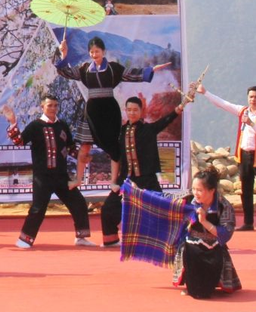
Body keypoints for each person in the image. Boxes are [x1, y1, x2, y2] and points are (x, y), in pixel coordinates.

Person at [55, 36, 170, 189]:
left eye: (97, 51)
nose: (94, 54)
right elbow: (65, 72)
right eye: (91, 52)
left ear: (103, 52)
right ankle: (78, 179)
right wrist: (63, 53)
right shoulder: (84, 69)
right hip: (91, 112)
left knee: (114, 147)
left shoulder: (113, 68)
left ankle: (114, 182)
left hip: (109, 111)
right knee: (85, 146)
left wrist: (151, 70)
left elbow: (131, 74)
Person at [2, 95, 94, 248]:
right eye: (50, 105)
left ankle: (81, 237)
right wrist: (13, 123)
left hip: (61, 176)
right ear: (42, 106)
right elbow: (19, 141)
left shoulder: (62, 125)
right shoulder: (35, 126)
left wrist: (82, 155)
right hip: (42, 177)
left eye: (55, 105)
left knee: (79, 203)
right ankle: (25, 240)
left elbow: (70, 148)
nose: (53, 108)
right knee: (38, 208)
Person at [100, 97, 183, 247]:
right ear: (125, 111)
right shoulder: (120, 133)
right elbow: (115, 157)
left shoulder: (149, 129)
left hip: (147, 179)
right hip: (126, 181)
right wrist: (113, 182)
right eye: (129, 110)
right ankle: (111, 240)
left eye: (135, 110)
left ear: (141, 111)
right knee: (108, 209)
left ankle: (173, 239)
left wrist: (181, 106)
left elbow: (166, 120)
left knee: (162, 208)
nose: (132, 113)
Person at [173, 168, 241, 298]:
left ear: (211, 190)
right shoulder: (187, 201)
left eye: (199, 190)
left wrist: (204, 221)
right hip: (191, 245)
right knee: (188, 251)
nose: (195, 193)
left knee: (214, 260)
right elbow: (163, 202)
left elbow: (225, 233)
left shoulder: (223, 205)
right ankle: (191, 284)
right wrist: (139, 193)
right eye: (193, 189)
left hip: (214, 245)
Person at [196, 82, 256, 231]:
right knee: (246, 189)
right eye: (251, 97)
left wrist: (251, 124)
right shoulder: (243, 111)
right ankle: (248, 223)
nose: (253, 100)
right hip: (244, 155)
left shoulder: (250, 117)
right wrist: (205, 92)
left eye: (255, 97)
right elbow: (223, 104)